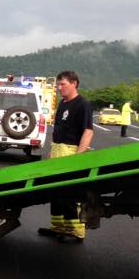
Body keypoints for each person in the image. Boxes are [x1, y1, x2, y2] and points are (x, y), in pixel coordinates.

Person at [38, 70, 93, 242]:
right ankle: (58, 227)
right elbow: (59, 130)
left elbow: (88, 131)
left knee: (70, 194)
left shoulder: (83, 104)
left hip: (71, 152)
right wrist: (51, 152)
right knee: (55, 193)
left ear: (74, 83)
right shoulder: (62, 104)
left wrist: (78, 157)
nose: (59, 88)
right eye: (58, 85)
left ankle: (76, 231)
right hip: (57, 151)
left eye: (63, 84)